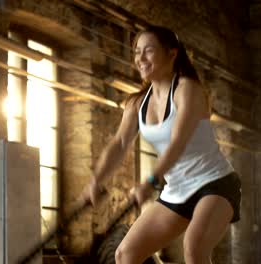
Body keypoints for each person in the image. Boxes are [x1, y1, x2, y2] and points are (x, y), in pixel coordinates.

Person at [81, 25, 242, 264]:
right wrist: (96, 180)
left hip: (214, 184)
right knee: (125, 254)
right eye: (136, 52)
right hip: (177, 190)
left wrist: (150, 181)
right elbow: (120, 143)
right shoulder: (137, 104)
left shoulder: (188, 90)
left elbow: (178, 142)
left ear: (172, 53)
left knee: (194, 247)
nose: (140, 58)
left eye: (148, 51)